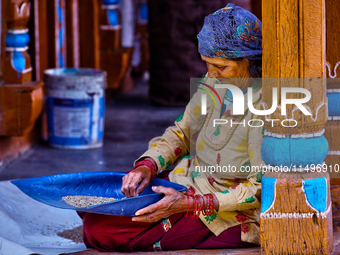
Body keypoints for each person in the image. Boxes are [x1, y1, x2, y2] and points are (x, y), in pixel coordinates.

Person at [78, 3, 265, 252]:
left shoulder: (265, 106)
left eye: (221, 67)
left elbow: (258, 189)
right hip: (188, 183)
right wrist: (148, 166)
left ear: (249, 62)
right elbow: (181, 133)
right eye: (207, 65)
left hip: (224, 210)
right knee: (94, 199)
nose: (212, 74)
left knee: (99, 231)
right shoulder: (214, 81)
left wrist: (190, 204)